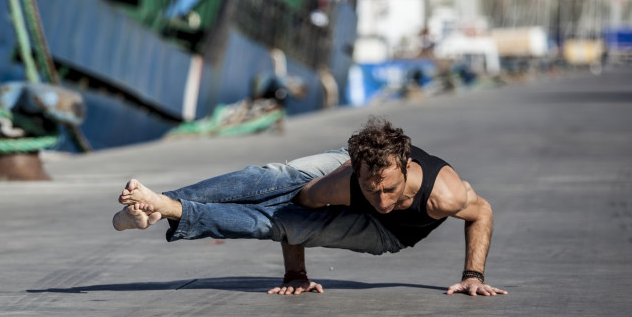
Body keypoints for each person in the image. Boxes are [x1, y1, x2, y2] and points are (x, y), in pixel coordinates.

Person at [112, 118, 506, 297]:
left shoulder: (446, 194)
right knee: (272, 179)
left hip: (389, 234)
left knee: (272, 221)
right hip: (339, 176)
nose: (382, 199)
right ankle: (159, 205)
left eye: (389, 190)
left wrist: (473, 274)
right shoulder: (346, 180)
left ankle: (166, 206)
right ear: (356, 173)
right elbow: (292, 213)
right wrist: (295, 271)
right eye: (372, 190)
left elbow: (482, 211)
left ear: (405, 169)